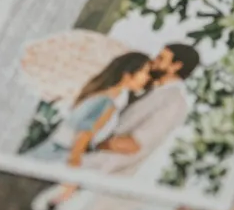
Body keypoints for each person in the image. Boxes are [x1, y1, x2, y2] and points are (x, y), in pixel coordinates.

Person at [78, 39, 200, 175]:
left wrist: (94, 143)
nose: (154, 61)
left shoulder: (173, 102)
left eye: (160, 58)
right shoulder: (149, 88)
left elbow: (134, 144)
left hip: (102, 168)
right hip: (85, 159)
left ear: (175, 66)